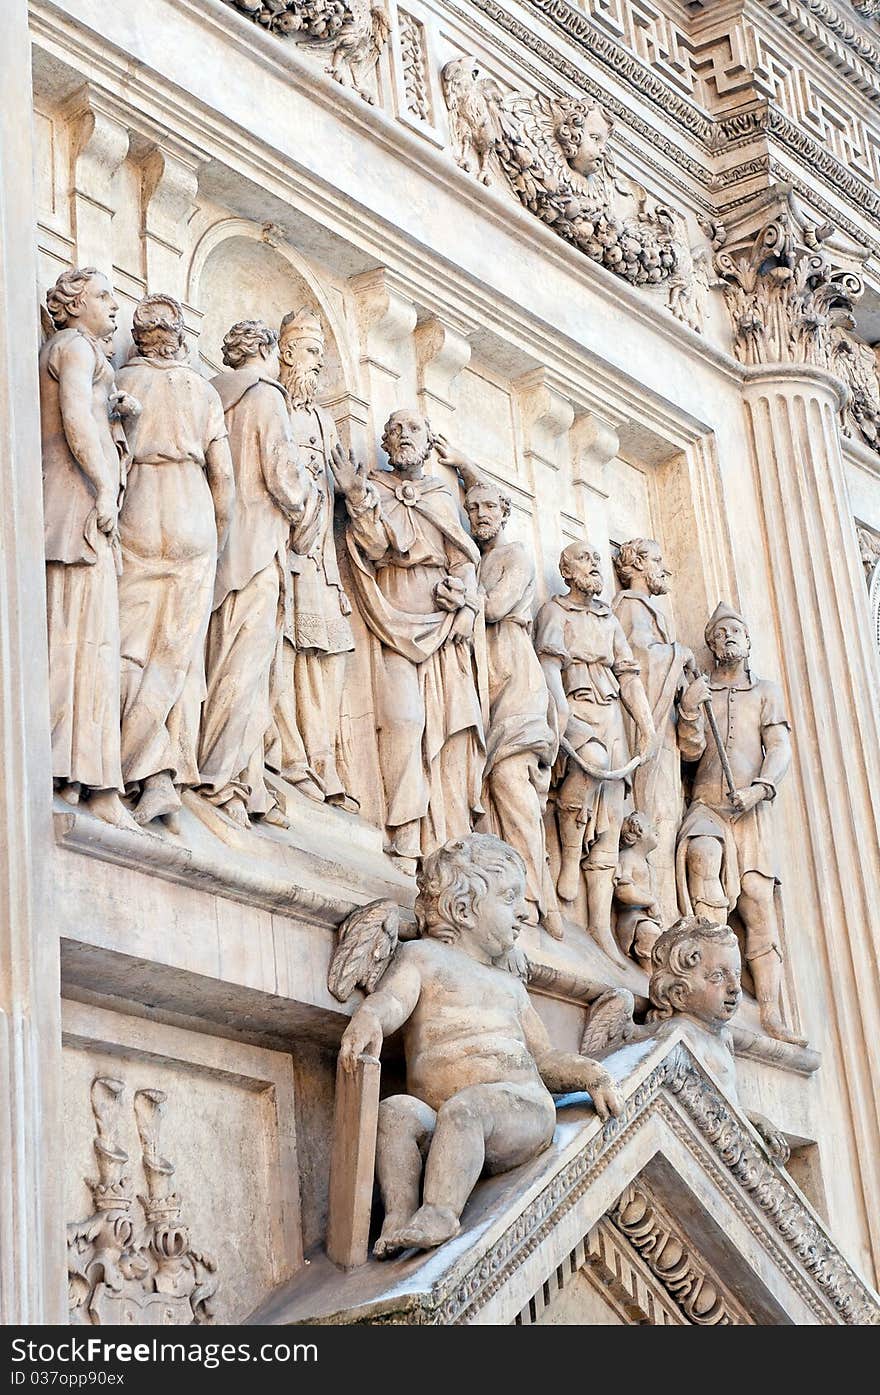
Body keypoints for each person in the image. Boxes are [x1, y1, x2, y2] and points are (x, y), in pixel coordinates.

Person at [339, 832, 623, 1255]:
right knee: (396, 1112)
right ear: (463, 910)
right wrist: (368, 1018)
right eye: (510, 898)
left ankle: (440, 1212)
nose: (523, 915)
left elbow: (543, 1057)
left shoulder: (509, 985)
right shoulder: (422, 958)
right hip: (444, 1117)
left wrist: (592, 1074)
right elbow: (393, 1000)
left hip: (518, 1107)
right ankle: (400, 1214)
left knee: (467, 1110)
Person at [332, 409, 486, 863]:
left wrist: (464, 597)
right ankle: (402, 830)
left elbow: (464, 556)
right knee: (402, 721)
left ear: (427, 440)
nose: (402, 436)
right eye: (394, 430)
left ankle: (440, 836)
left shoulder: (441, 495)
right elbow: (376, 546)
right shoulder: (375, 487)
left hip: (441, 623)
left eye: (412, 429)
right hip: (390, 615)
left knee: (444, 731)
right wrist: (357, 495)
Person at [115, 294, 233, 830]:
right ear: (181, 338)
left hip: (142, 503)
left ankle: (135, 767)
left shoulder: (124, 381)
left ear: (140, 339)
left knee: (126, 647)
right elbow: (224, 481)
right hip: (193, 511)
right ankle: (157, 774)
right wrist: (218, 534)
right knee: (173, 654)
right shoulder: (203, 390)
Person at [675, 602, 803, 1044]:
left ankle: (769, 1012)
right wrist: (690, 713)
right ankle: (708, 989)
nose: (727, 637)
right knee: (701, 858)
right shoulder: (701, 690)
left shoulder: (765, 691)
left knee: (756, 903)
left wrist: (760, 788)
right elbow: (689, 754)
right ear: (710, 645)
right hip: (707, 805)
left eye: (735, 631)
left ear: (748, 643)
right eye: (719, 633)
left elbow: (780, 748)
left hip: (750, 811)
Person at [198, 320, 309, 828]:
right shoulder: (266, 397)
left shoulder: (214, 394)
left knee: (223, 657)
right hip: (258, 545)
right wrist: (307, 489)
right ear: (266, 349)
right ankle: (224, 778)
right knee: (246, 665)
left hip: (219, 547)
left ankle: (248, 780)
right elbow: (284, 477)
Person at [39, 266, 137, 829]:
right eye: (103, 295)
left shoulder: (83, 351)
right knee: (80, 641)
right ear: (74, 305)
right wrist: (103, 486)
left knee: (90, 644)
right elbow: (74, 417)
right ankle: (73, 772)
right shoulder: (74, 347)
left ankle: (85, 777)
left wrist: (119, 412)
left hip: (82, 508)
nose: (113, 306)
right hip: (77, 510)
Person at [535, 541, 655, 964]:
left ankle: (601, 926)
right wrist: (562, 712)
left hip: (610, 713)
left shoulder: (607, 618)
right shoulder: (555, 612)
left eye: (596, 560)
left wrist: (645, 723)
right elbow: (549, 666)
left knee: (614, 812)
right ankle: (569, 858)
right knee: (593, 768)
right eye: (585, 560)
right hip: (576, 705)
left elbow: (628, 675)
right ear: (566, 571)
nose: (595, 566)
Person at [272, 308, 356, 809]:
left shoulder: (325, 419)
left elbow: (348, 491)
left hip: (321, 557)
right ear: (284, 351)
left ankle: (323, 763)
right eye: (310, 352)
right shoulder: (269, 402)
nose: (318, 365)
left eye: (323, 355)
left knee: (326, 656)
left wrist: (354, 493)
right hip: (281, 548)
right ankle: (288, 757)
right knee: (281, 650)